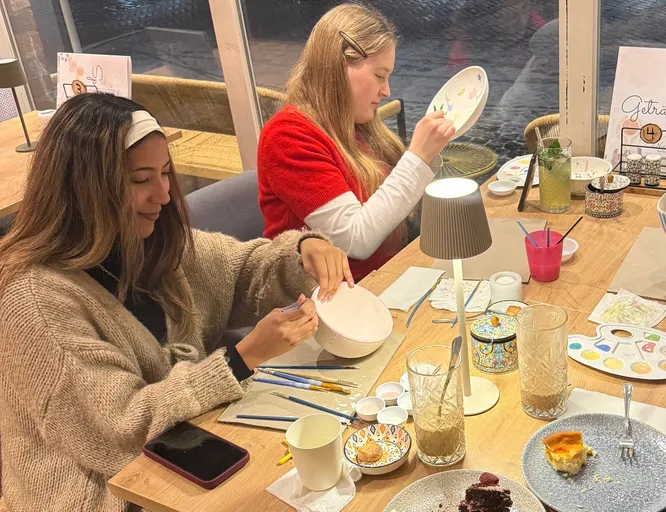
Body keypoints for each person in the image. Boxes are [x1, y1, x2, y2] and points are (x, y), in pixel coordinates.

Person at [0, 93, 353, 511]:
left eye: (166, 173)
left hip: (191, 453)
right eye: (140, 179)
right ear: (84, 189)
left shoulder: (154, 245)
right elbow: (121, 429)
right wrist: (240, 359)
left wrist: (303, 252)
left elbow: (243, 271)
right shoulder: (35, 299)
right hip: (105, 493)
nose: (164, 195)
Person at [257, 3, 455, 282]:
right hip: (326, 304)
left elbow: (395, 211)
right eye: (379, 76)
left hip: (386, 275)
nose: (386, 91)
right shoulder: (287, 136)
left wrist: (429, 155)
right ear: (339, 66)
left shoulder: (354, 125)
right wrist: (418, 158)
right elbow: (355, 240)